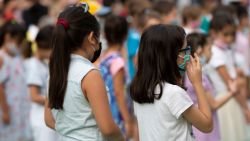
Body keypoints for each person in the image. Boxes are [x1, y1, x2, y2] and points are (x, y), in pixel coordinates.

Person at [45, 3, 124, 141]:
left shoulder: (54, 72)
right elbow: (107, 128)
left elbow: (49, 119)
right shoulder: (90, 74)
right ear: (91, 37)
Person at [130, 24, 212, 141]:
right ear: (169, 56)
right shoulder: (173, 93)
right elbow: (207, 125)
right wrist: (197, 83)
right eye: (185, 50)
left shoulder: (140, 89)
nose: (188, 55)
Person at [185, 33, 237, 141]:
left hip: (196, 125)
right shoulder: (199, 78)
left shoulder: (188, 73)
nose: (211, 52)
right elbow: (213, 104)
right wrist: (232, 92)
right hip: (204, 130)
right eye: (209, 48)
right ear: (199, 50)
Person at [207, 12, 249, 141]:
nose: (230, 38)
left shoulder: (224, 50)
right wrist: (246, 108)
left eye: (232, 34)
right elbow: (230, 84)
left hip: (232, 99)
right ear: (214, 33)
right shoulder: (216, 53)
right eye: (225, 34)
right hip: (227, 101)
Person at [0, 21, 32, 141]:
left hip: (20, 108)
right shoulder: (2, 57)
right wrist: (5, 111)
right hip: (8, 108)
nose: (19, 45)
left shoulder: (17, 57)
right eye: (18, 41)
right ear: (8, 37)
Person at [26, 25, 58, 141]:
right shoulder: (33, 65)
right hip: (40, 120)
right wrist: (56, 99)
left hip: (48, 116)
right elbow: (34, 96)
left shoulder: (44, 64)